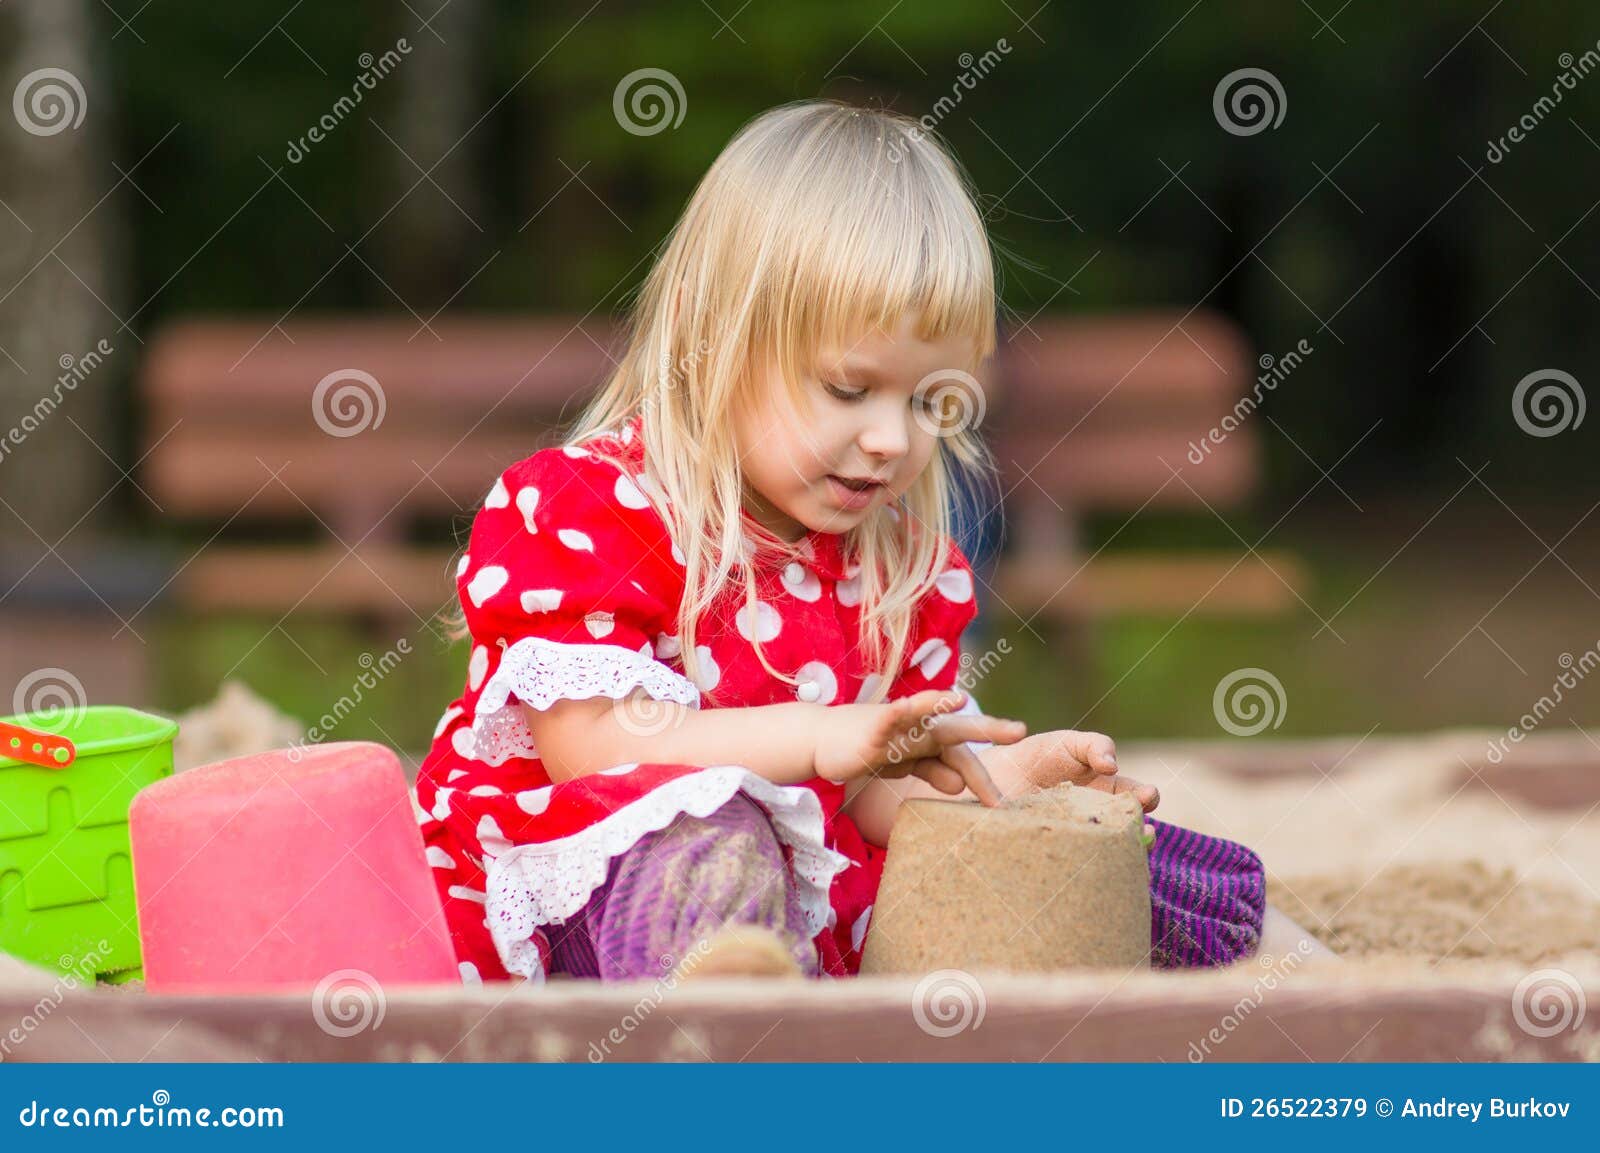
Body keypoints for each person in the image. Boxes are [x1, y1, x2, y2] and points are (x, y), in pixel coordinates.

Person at [413, 99, 1321, 985]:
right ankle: (731, 1012)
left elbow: (875, 798)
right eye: (849, 390)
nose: (893, 439)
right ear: (705, 332)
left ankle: (1308, 973)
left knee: (1093, 846)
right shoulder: (588, 507)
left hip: (817, 891)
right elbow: (597, 750)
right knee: (697, 831)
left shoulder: (900, 568)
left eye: (932, 402)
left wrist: (996, 781)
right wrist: (818, 733)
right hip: (587, 892)